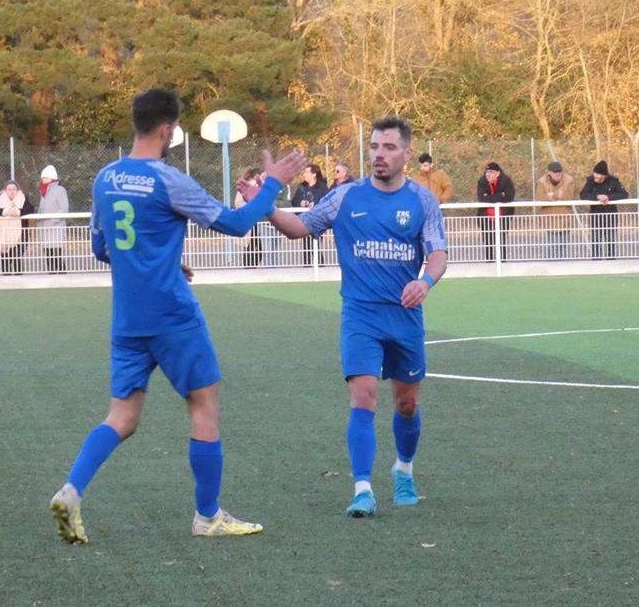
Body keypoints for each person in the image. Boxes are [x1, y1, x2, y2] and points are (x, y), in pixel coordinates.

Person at [48, 88, 306, 543]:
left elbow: (100, 247)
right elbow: (234, 224)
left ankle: (71, 490)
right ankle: (208, 516)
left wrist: (158, 260)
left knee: (122, 418)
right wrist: (272, 183)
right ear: (167, 129)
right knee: (204, 404)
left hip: (128, 319)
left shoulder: (105, 178)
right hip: (172, 315)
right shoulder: (167, 179)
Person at [258, 115, 447, 518]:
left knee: (407, 403)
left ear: (407, 153)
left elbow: (438, 253)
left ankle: (404, 470)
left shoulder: (423, 201)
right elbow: (300, 228)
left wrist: (426, 282)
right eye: (375, 147)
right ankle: (362, 488)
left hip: (405, 317)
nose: (379, 154)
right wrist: (266, 207)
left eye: (389, 147)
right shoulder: (346, 196)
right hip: (360, 315)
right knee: (363, 397)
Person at [579, 161, 628, 260]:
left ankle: (611, 260)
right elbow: (583, 195)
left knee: (610, 239)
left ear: (604, 176)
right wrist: (597, 197)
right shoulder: (590, 180)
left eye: (598, 176)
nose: (595, 178)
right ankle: (596, 261)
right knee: (596, 239)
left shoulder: (613, 181)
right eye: (595, 175)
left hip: (610, 215)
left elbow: (624, 194)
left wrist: (608, 197)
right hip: (595, 214)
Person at [0, 180, 34, 274]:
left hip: (20, 235)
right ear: (5, 190)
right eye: (9, 189)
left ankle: (18, 278)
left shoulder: (23, 199)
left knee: (17, 256)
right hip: (4, 235)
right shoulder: (0, 199)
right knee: (5, 257)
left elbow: (31, 209)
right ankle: (6, 279)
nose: (11, 191)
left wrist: (18, 212)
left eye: (14, 189)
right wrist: (4, 212)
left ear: (17, 190)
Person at [534, 161, 576, 259]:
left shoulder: (569, 180)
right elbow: (539, 198)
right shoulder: (541, 181)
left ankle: (562, 267)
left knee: (563, 245)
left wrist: (552, 196)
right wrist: (550, 197)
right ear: (549, 172)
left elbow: (568, 196)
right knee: (551, 246)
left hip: (565, 218)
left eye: (559, 171)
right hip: (550, 219)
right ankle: (551, 266)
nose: (557, 173)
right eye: (554, 171)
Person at [476, 161, 514, 261]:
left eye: (491, 172)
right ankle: (489, 261)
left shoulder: (506, 181)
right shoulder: (482, 181)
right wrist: (500, 195)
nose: (488, 174)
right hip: (486, 215)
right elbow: (482, 199)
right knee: (488, 238)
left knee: (501, 238)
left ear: (498, 173)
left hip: (503, 214)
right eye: (487, 172)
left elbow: (509, 197)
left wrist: (490, 197)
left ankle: (502, 262)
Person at [36, 165, 69, 273]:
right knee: (48, 253)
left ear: (52, 178)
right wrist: (39, 222)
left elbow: (63, 209)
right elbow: (41, 209)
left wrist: (52, 220)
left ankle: (62, 276)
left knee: (56, 253)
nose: (43, 179)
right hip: (44, 228)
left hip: (55, 227)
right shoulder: (43, 192)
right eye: (43, 178)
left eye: (46, 177)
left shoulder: (60, 190)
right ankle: (52, 275)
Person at [233, 167, 264, 268]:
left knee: (253, 244)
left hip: (249, 217)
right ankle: (249, 266)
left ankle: (250, 265)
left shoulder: (250, 184)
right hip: (247, 217)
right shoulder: (252, 184)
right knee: (252, 244)